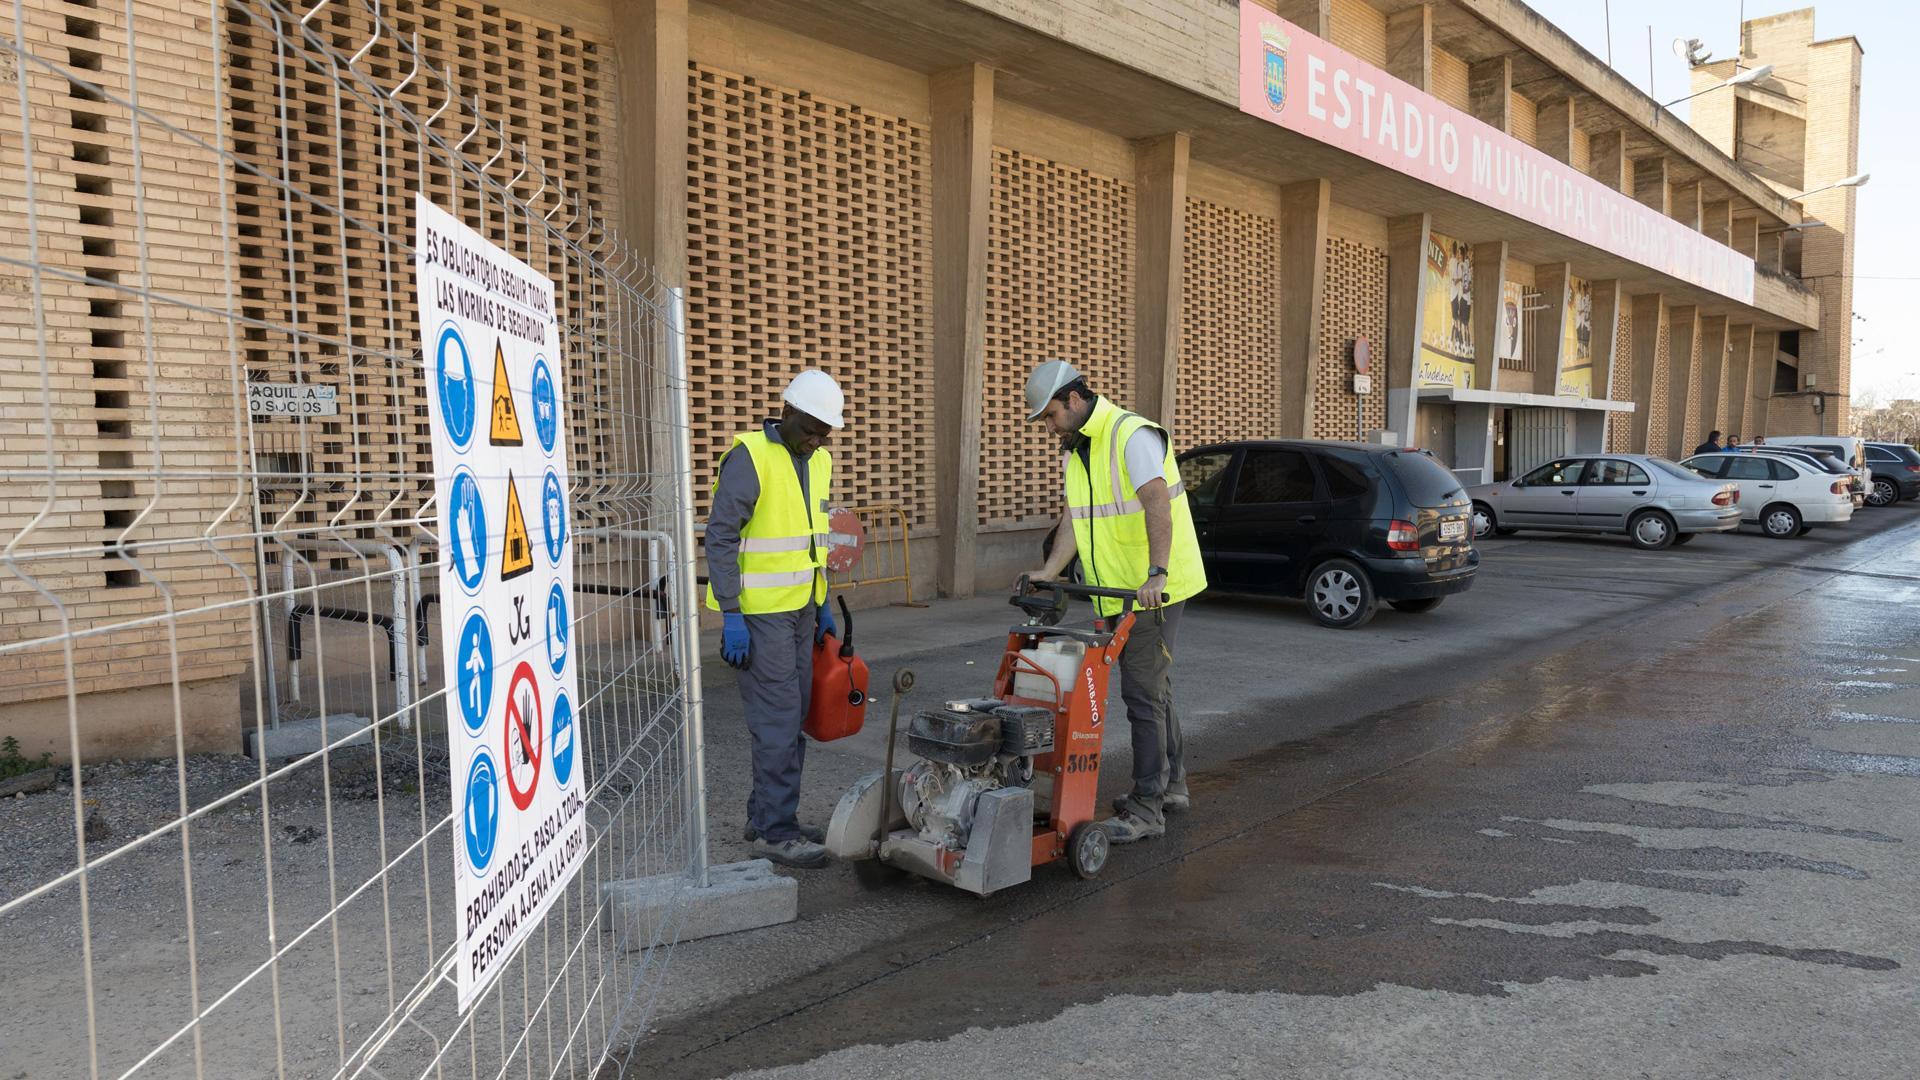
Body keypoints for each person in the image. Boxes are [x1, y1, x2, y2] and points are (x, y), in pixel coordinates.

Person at [1020, 360, 1208, 844]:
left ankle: (1147, 809)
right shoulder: (1078, 450)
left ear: (1075, 400)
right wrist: (1050, 572)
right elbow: (1075, 520)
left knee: (1142, 695)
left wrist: (1156, 574)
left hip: (1150, 591)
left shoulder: (1131, 435)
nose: (1048, 425)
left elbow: (1156, 503)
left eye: (1050, 414)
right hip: (1115, 592)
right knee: (1155, 689)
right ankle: (1172, 786)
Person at [704, 369, 845, 869]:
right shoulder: (750, 457)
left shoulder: (820, 461)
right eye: (808, 429)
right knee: (778, 722)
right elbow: (720, 538)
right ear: (785, 413)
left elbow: (815, 540)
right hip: (760, 617)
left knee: (794, 716)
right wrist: (732, 615)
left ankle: (766, 815)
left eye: (823, 434)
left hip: (802, 609)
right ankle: (775, 832)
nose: (814, 441)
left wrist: (823, 602)